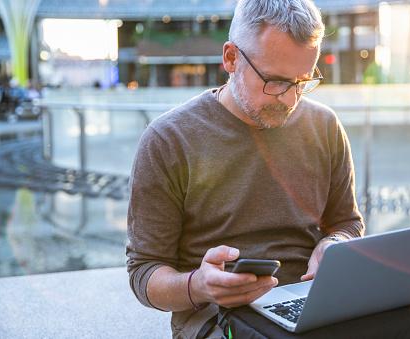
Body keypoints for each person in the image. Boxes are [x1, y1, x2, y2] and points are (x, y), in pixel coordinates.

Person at [126, 0, 365, 338]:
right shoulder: (168, 139)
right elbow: (143, 272)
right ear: (231, 58)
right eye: (275, 81)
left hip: (313, 301)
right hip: (219, 315)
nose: (289, 99)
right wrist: (198, 285)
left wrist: (336, 243)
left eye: (302, 81)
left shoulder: (324, 125)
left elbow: (347, 223)